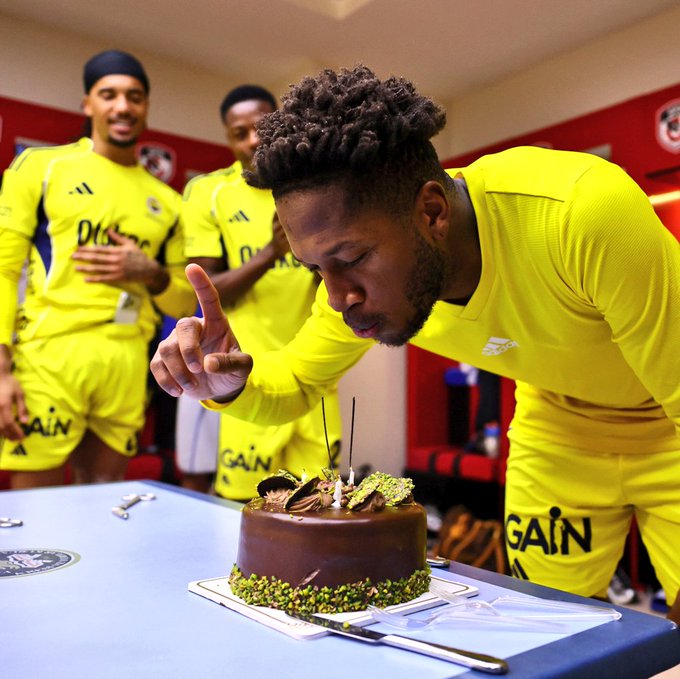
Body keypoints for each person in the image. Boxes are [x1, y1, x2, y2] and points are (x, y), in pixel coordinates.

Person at [150, 65, 680, 622]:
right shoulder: (353, 288)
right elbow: (297, 382)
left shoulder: (580, 211)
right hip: (559, 426)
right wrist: (227, 383)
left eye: (352, 258)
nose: (338, 297)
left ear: (432, 212)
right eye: (315, 268)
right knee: (547, 626)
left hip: (670, 424)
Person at [0, 49, 195, 489]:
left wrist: (151, 273)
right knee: (38, 507)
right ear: (87, 104)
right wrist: (1, 369)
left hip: (126, 361)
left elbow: (184, 302)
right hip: (49, 356)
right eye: (109, 95)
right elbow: (4, 269)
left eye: (134, 96)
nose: (122, 106)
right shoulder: (42, 167)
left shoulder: (168, 201)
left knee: (106, 499)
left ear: (146, 107)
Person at [175, 85, 341, 499]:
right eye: (239, 133)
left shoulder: (312, 186)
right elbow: (206, 292)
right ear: (228, 138)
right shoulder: (210, 192)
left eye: (262, 127)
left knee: (320, 504)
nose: (252, 139)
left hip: (315, 374)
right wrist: (271, 253)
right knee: (246, 510)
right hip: (249, 374)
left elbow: (335, 280)